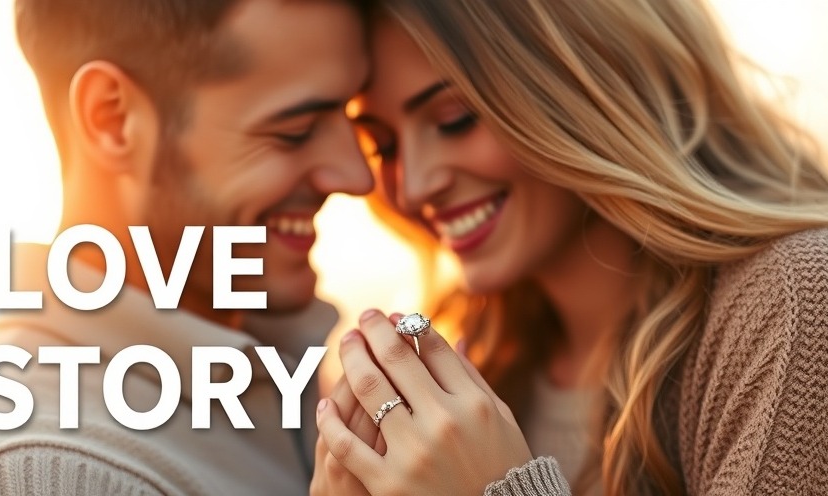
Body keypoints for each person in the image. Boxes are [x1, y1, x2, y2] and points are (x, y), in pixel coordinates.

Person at [311, 0, 828, 495]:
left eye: (454, 119)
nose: (415, 185)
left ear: (585, 81)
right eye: (384, 145)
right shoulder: (484, 365)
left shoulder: (796, 306)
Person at [0, 0, 373, 494]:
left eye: (352, 117)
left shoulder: (278, 371)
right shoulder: (38, 474)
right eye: (293, 133)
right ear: (113, 119)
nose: (357, 175)